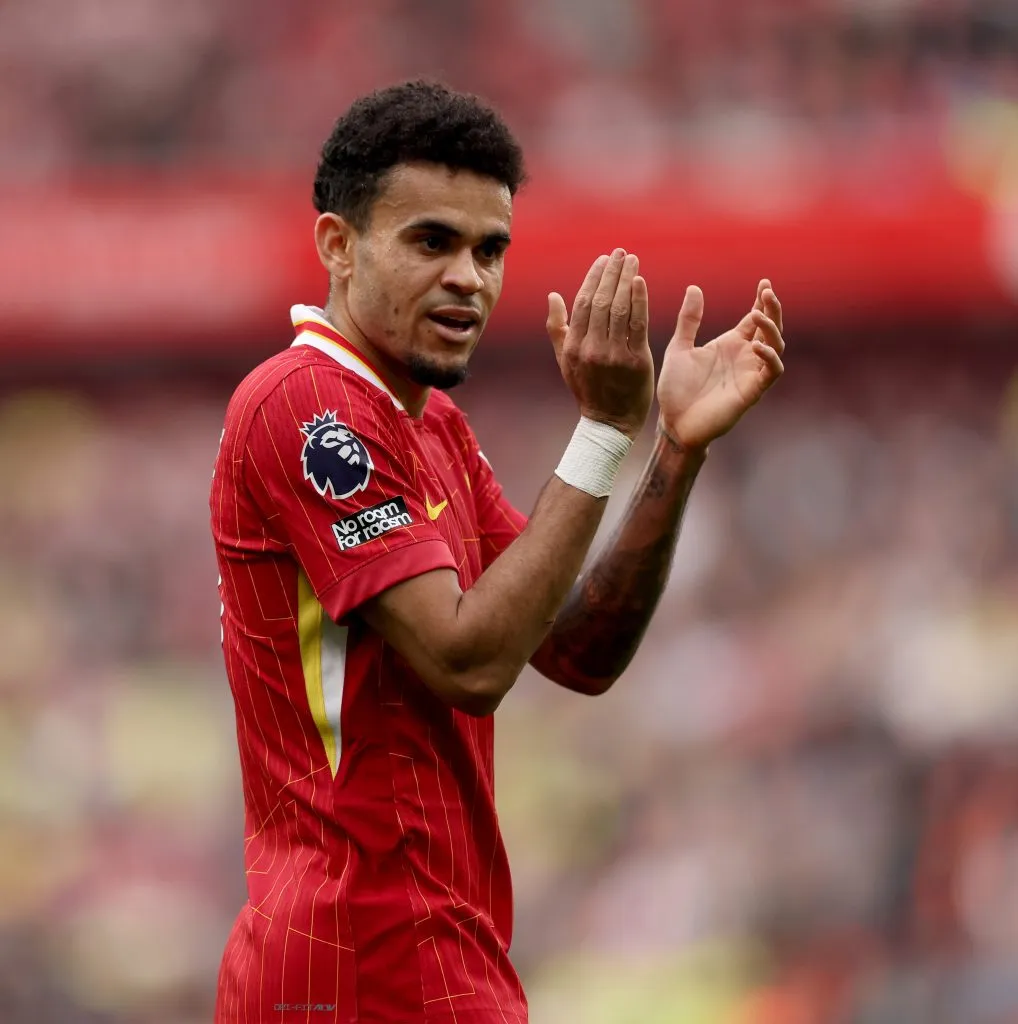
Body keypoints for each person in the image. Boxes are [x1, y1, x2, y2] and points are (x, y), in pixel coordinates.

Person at [210, 79, 785, 1024]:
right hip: (364, 958)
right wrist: (601, 428)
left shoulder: (430, 425)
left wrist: (672, 449)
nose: (469, 278)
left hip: (426, 949)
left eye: (489, 250)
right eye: (431, 241)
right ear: (337, 246)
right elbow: (468, 660)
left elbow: (573, 649)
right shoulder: (306, 405)